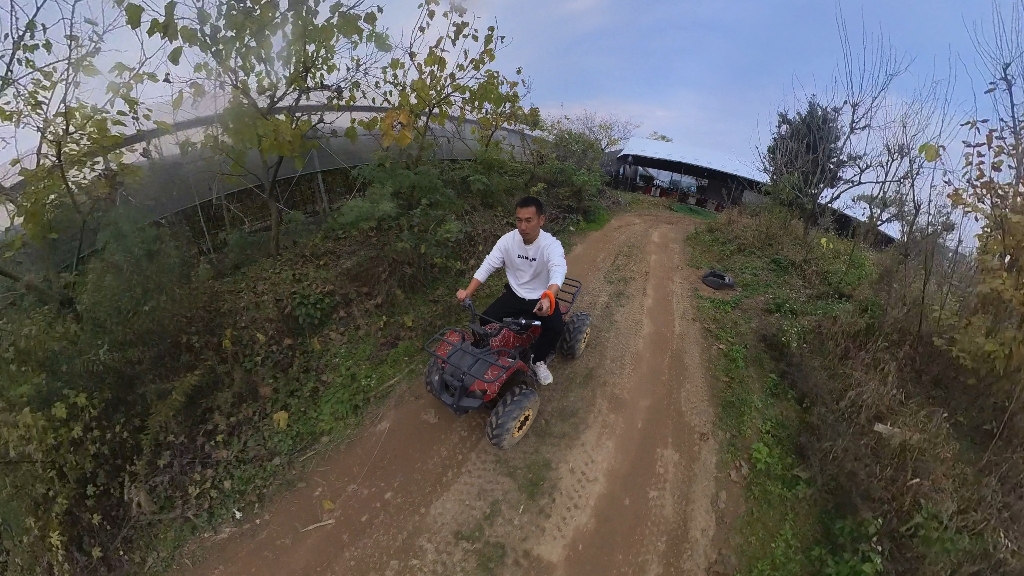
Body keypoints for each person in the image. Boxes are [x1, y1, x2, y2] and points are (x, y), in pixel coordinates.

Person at [456, 196, 566, 385]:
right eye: (519, 220)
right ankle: (488, 355)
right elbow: (488, 264)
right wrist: (468, 291)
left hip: (540, 297)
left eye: (528, 220)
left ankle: (537, 360)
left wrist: (548, 297)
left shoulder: (551, 245)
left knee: (556, 328)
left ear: (541, 220)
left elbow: (558, 270)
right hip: (515, 294)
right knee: (485, 320)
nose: (522, 226)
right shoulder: (508, 240)